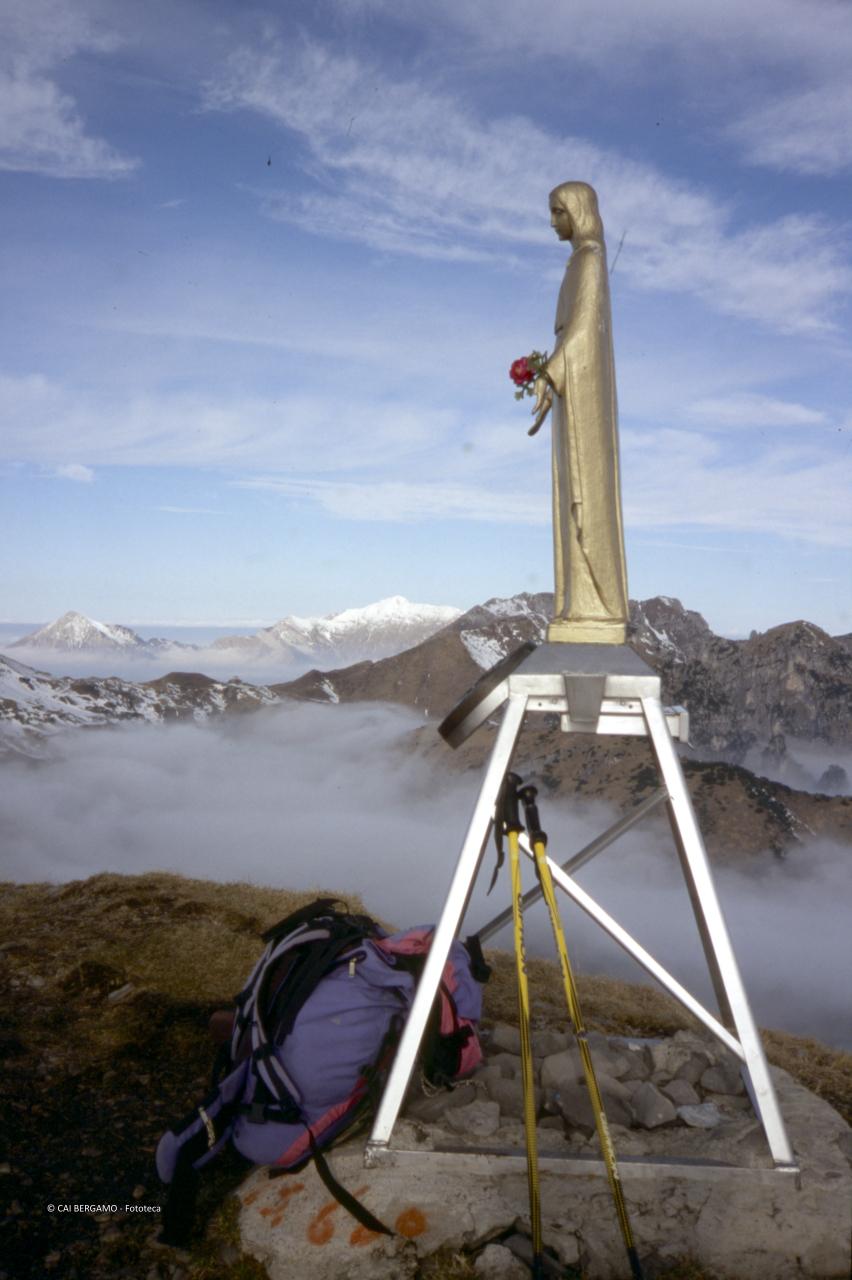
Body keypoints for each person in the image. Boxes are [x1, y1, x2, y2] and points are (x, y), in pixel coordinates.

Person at [532, 181, 629, 645]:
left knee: (585, 492)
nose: (553, 222)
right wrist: (550, 375)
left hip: (580, 391)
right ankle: (580, 602)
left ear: (576, 211)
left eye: (557, 212)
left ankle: (597, 605)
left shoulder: (590, 259)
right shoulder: (579, 260)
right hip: (573, 392)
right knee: (574, 490)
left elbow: (586, 325)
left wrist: (551, 371)